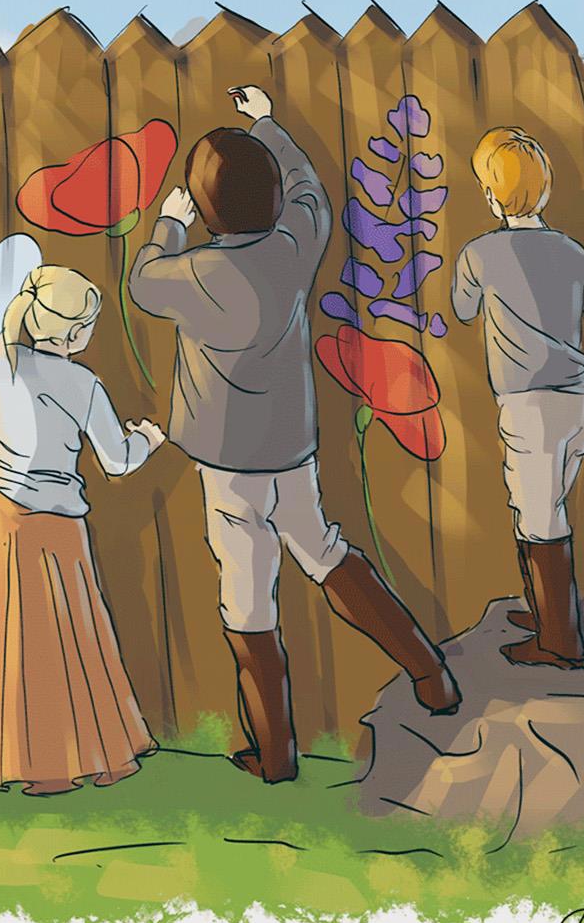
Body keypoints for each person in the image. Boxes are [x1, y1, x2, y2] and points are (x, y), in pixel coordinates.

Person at [130, 85, 457, 778]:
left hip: (226, 466)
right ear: (274, 199)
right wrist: (269, 125)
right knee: (328, 554)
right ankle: (431, 675)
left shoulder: (190, 272)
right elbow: (314, 195)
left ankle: (275, 754)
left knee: (247, 603)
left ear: (205, 210)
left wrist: (168, 223)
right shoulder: (292, 248)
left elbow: (141, 282)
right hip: (291, 455)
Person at [0, 263, 162, 794]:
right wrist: (148, 440)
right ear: (74, 334)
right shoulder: (83, 383)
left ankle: (2, 760)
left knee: (2, 640)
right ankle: (82, 758)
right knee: (72, 639)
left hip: (1, 518)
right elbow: (117, 460)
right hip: (59, 525)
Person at [450, 128, 584, 672]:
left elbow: (462, 309)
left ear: (490, 196)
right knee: (548, 503)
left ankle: (559, 641)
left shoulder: (479, 253)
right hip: (576, 399)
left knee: (538, 515)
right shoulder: (570, 251)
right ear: (546, 190)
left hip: (526, 403)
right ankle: (545, 613)